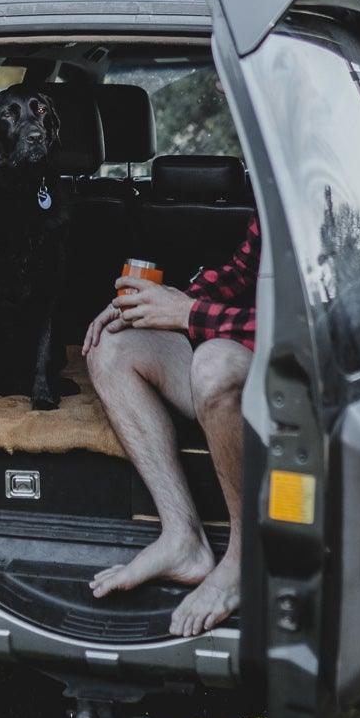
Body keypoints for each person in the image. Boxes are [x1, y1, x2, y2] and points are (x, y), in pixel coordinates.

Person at [82, 216, 260, 636]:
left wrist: (189, 313)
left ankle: (244, 561)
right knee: (112, 343)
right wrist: (159, 303)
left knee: (214, 362)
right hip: (242, 363)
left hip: (304, 385)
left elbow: (322, 321)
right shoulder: (278, 190)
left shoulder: (339, 190)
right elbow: (239, 274)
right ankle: (183, 539)